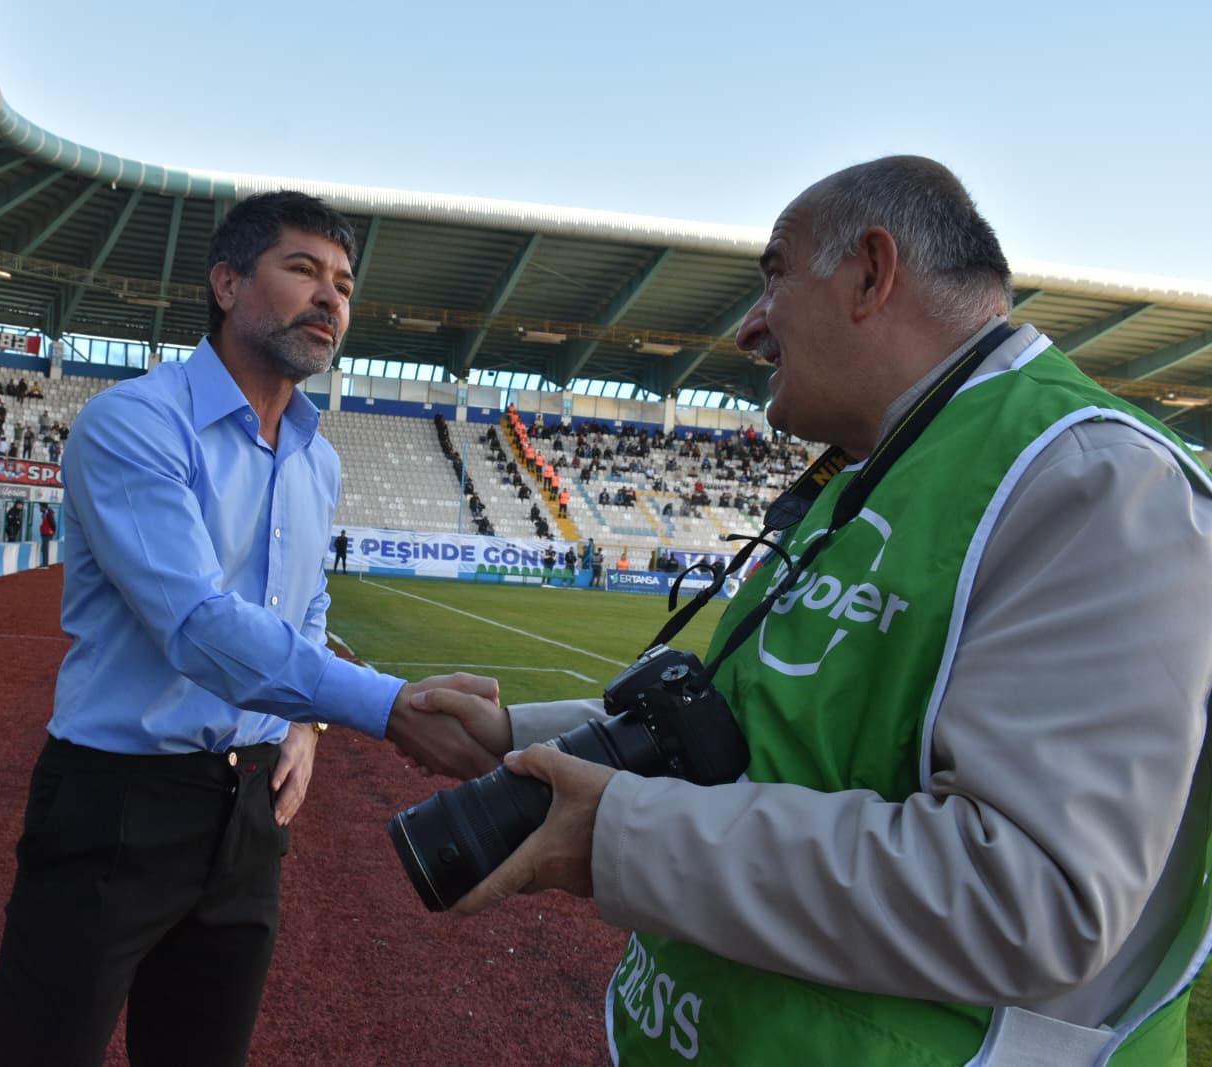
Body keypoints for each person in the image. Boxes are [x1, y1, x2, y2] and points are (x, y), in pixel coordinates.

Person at [412, 156, 1212, 1065]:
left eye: (775, 274)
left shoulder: (1100, 481)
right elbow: (749, 720)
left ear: (872, 274)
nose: (751, 326)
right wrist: (518, 733)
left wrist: (622, 833)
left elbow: (1029, 897)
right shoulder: (866, 476)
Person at [0, 191, 501, 1067]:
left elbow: (305, 611)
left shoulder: (317, 455)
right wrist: (384, 705)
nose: (331, 298)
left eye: (343, 282)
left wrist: (306, 721)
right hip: (117, 803)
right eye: (303, 270)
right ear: (226, 282)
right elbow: (196, 624)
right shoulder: (134, 422)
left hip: (252, 812)